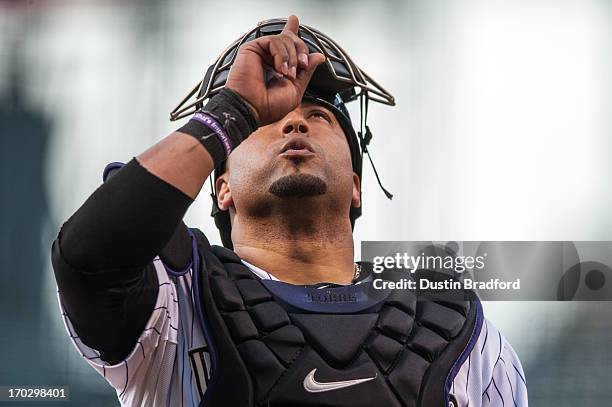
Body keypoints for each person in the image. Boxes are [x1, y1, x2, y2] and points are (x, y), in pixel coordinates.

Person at [51, 15, 528, 407]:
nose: (295, 120)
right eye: (267, 123)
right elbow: (89, 255)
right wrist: (232, 111)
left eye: (319, 117)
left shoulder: (453, 323)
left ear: (357, 188)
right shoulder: (180, 297)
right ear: (223, 189)